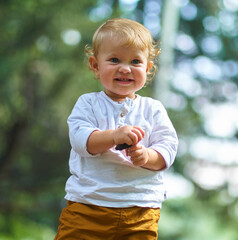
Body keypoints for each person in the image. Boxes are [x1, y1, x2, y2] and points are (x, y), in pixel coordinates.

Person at [54, 18, 178, 240]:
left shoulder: (153, 109)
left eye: (135, 62)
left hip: (140, 208)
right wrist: (114, 136)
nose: (124, 68)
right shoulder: (88, 103)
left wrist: (147, 156)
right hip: (88, 205)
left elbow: (168, 148)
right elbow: (81, 140)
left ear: (148, 68)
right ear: (95, 65)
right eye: (114, 59)